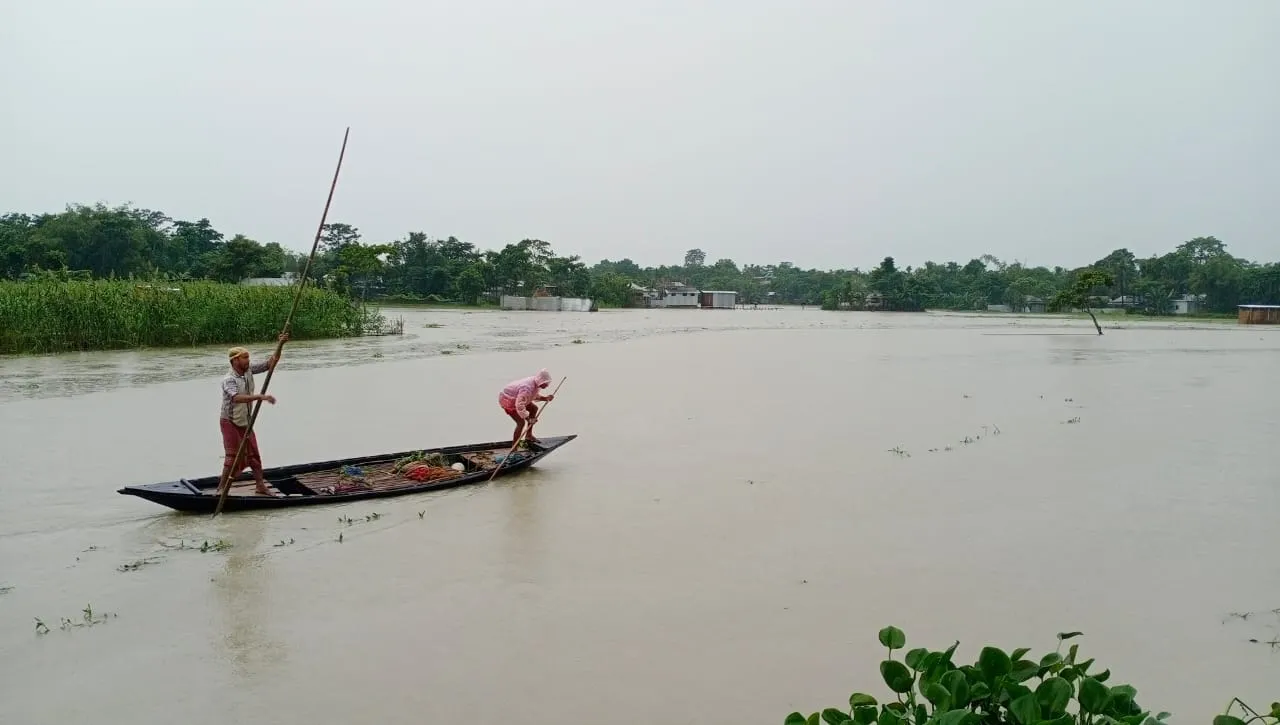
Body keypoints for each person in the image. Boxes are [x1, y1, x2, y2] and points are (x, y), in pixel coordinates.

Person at [219, 333, 288, 496]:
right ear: (235, 361)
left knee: (254, 455)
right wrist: (260, 397)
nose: (248, 360)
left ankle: (260, 486)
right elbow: (237, 398)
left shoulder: (249, 371)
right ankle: (221, 487)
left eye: (248, 357)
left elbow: (270, 364)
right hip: (229, 422)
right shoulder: (228, 379)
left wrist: (281, 344)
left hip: (245, 421)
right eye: (244, 358)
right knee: (232, 457)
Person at [498, 368, 555, 446]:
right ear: (540, 381)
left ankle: (528, 435)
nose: (547, 385)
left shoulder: (535, 383)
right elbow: (519, 404)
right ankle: (514, 447)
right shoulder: (527, 388)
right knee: (521, 423)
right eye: (545, 383)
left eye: (547, 383)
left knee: (534, 408)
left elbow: (531, 395)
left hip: (518, 399)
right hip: (508, 400)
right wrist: (528, 418)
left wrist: (545, 398)